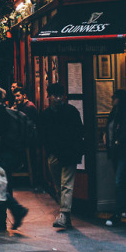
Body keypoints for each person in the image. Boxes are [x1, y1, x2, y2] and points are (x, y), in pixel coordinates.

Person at [39, 82, 85, 229]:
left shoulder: (70, 111)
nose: (58, 99)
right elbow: (43, 136)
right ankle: (66, 216)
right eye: (55, 96)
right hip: (55, 155)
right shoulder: (47, 115)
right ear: (49, 97)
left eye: (60, 96)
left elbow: (79, 132)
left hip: (68, 153)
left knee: (66, 185)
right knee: (60, 186)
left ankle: (64, 214)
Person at [0, 85, 28, 231]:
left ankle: (18, 210)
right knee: (4, 185)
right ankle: (0, 220)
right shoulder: (4, 111)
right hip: (13, 153)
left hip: (4, 155)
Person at [104, 89, 126, 226]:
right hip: (116, 152)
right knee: (121, 181)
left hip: (123, 152)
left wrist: (117, 142)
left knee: (119, 181)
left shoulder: (123, 114)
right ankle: (123, 209)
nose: (112, 98)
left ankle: (118, 213)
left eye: (115, 97)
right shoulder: (114, 113)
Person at [13, 85, 39, 185]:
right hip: (25, 136)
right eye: (15, 96)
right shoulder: (21, 106)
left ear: (24, 96)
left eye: (18, 96)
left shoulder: (29, 107)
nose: (16, 98)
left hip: (29, 138)